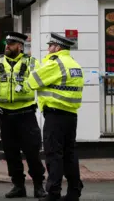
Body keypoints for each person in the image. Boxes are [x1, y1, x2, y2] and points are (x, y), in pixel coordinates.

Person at [0, 32, 47, 199]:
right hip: (5, 115)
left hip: (26, 114)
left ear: (20, 46)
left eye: (11, 43)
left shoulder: (32, 63)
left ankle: (39, 185)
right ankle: (18, 186)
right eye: (6, 43)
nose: (7, 46)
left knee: (32, 151)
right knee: (11, 153)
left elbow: (42, 84)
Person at [26, 33, 85, 201]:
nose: (48, 49)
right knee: (70, 155)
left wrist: (35, 66)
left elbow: (32, 82)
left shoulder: (54, 63)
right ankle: (74, 191)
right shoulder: (74, 64)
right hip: (71, 115)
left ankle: (53, 192)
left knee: (54, 155)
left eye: (50, 46)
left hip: (55, 115)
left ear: (57, 48)